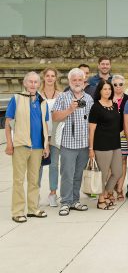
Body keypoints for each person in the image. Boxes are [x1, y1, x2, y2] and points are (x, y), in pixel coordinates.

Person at [4, 72, 50, 223]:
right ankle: (17, 211)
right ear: (25, 84)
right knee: (18, 180)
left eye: (35, 82)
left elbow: (46, 125)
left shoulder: (43, 102)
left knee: (34, 180)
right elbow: (8, 122)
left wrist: (46, 145)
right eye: (30, 82)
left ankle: (32, 209)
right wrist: (9, 144)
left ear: (39, 84)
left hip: (38, 147)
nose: (32, 84)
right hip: (21, 145)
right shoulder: (16, 99)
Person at [52, 68, 94, 216]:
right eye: (74, 80)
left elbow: (91, 123)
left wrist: (91, 146)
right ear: (69, 81)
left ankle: (75, 200)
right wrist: (70, 109)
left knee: (78, 175)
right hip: (68, 144)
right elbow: (55, 117)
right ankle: (65, 202)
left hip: (84, 144)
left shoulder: (89, 99)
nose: (77, 82)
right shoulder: (63, 97)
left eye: (79, 80)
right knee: (67, 174)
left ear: (84, 82)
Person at [88, 80, 123, 210]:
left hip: (115, 144)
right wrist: (91, 148)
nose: (107, 91)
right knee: (102, 174)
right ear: (100, 91)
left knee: (117, 172)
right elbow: (91, 129)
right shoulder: (96, 106)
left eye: (109, 89)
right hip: (101, 145)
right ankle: (101, 199)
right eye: (105, 89)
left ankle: (107, 192)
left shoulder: (114, 105)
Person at [39, 67, 62, 208]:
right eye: (47, 75)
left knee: (54, 165)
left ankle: (53, 193)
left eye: (52, 75)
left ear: (55, 78)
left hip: (55, 133)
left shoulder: (60, 95)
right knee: (38, 165)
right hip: (40, 134)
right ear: (44, 77)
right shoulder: (37, 95)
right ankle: (34, 193)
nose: (50, 78)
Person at [111, 74, 128, 202]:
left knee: (123, 161)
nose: (118, 87)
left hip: (123, 135)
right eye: (115, 84)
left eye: (121, 84)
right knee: (110, 164)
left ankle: (119, 189)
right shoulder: (106, 97)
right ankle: (110, 188)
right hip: (109, 135)